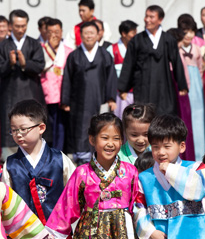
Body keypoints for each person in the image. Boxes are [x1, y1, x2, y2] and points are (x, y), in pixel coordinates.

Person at [46, 113, 140, 239]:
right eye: (105, 138)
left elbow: (136, 206)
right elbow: (66, 207)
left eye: (116, 138)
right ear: (92, 139)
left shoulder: (130, 172)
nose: (110, 144)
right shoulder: (82, 173)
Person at [2, 99, 75, 239]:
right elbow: (6, 204)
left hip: (58, 237)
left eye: (24, 129)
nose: (19, 135)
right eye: (14, 130)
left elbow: (73, 197)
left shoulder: (59, 159)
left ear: (41, 127)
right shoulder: (11, 164)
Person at [61, 21, 117, 165]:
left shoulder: (105, 55)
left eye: (92, 33)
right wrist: (65, 100)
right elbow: (67, 78)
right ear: (80, 35)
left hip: (100, 99)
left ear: (98, 35)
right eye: (86, 33)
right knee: (80, 128)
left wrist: (111, 98)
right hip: (78, 100)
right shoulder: (74, 56)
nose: (89, 36)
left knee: (100, 126)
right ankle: (82, 160)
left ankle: (101, 157)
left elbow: (111, 78)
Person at [0, 9, 46, 156]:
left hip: (30, 92)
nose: (21, 29)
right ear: (10, 25)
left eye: (23, 26)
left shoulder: (34, 44)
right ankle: (9, 156)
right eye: (17, 26)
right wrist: (10, 63)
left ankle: (35, 152)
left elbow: (40, 66)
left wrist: (24, 64)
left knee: (31, 121)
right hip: (9, 93)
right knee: (11, 123)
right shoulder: (3, 46)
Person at [118, 5, 188, 116]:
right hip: (143, 85)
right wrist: (123, 88)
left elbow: (177, 62)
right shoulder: (137, 40)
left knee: (165, 116)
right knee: (144, 116)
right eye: (146, 16)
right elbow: (129, 64)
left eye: (151, 17)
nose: (147, 19)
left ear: (160, 20)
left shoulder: (168, 39)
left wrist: (182, 84)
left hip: (164, 85)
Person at [40, 18, 73, 151]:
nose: (54, 35)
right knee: (46, 127)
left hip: (63, 94)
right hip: (45, 94)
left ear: (62, 32)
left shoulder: (69, 50)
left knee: (61, 127)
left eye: (57, 31)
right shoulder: (41, 49)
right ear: (45, 33)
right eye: (51, 31)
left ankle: (59, 153)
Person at [177, 16, 205, 159]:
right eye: (185, 32)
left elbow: (200, 68)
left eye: (191, 32)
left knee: (198, 119)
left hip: (196, 86)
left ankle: (200, 154)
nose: (188, 35)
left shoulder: (196, 48)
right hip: (182, 85)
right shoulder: (175, 47)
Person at [167, 27, 196, 161]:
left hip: (179, 93)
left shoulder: (176, 54)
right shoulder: (173, 54)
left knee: (182, 124)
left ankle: (184, 155)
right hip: (176, 93)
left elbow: (185, 77)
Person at [106, 19, 138, 118]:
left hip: (136, 92)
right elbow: (109, 76)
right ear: (124, 33)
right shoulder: (112, 50)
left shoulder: (138, 48)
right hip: (119, 94)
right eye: (133, 32)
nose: (135, 36)